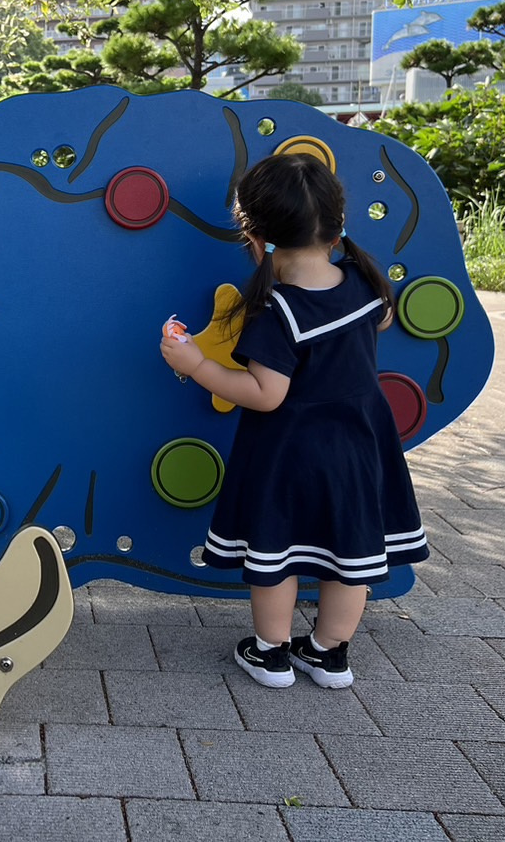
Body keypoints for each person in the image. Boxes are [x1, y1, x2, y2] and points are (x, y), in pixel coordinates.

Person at [160, 152, 427, 690]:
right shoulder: (362, 280)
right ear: (335, 224)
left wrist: (197, 365)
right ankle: (329, 655)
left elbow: (265, 395)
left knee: (276, 555)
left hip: (290, 453)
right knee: (350, 553)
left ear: (255, 237)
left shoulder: (278, 310)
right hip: (360, 447)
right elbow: (382, 319)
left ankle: (271, 654)